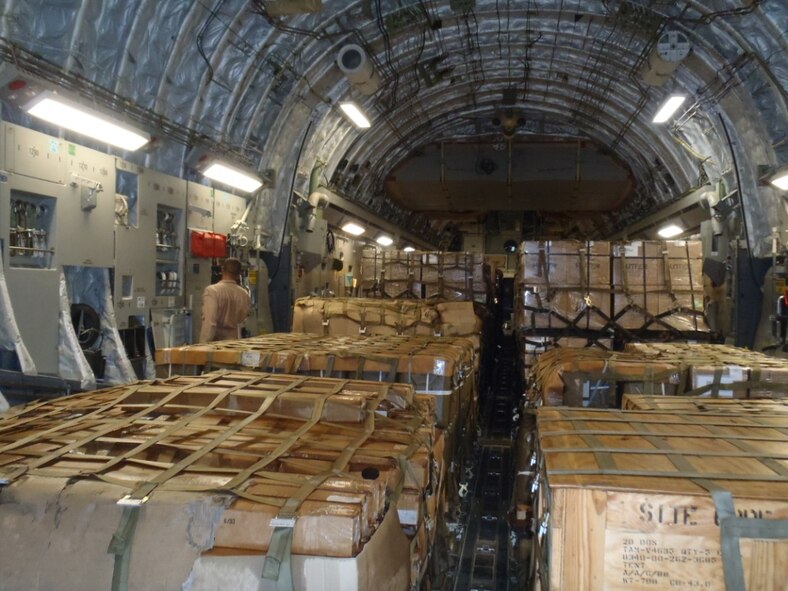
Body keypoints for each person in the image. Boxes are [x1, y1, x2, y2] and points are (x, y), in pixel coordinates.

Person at [199, 257, 251, 342]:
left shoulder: (212, 291)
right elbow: (242, 318)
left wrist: (201, 347)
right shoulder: (244, 293)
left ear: (222, 270)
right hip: (234, 342)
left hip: (216, 344)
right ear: (238, 275)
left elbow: (210, 323)